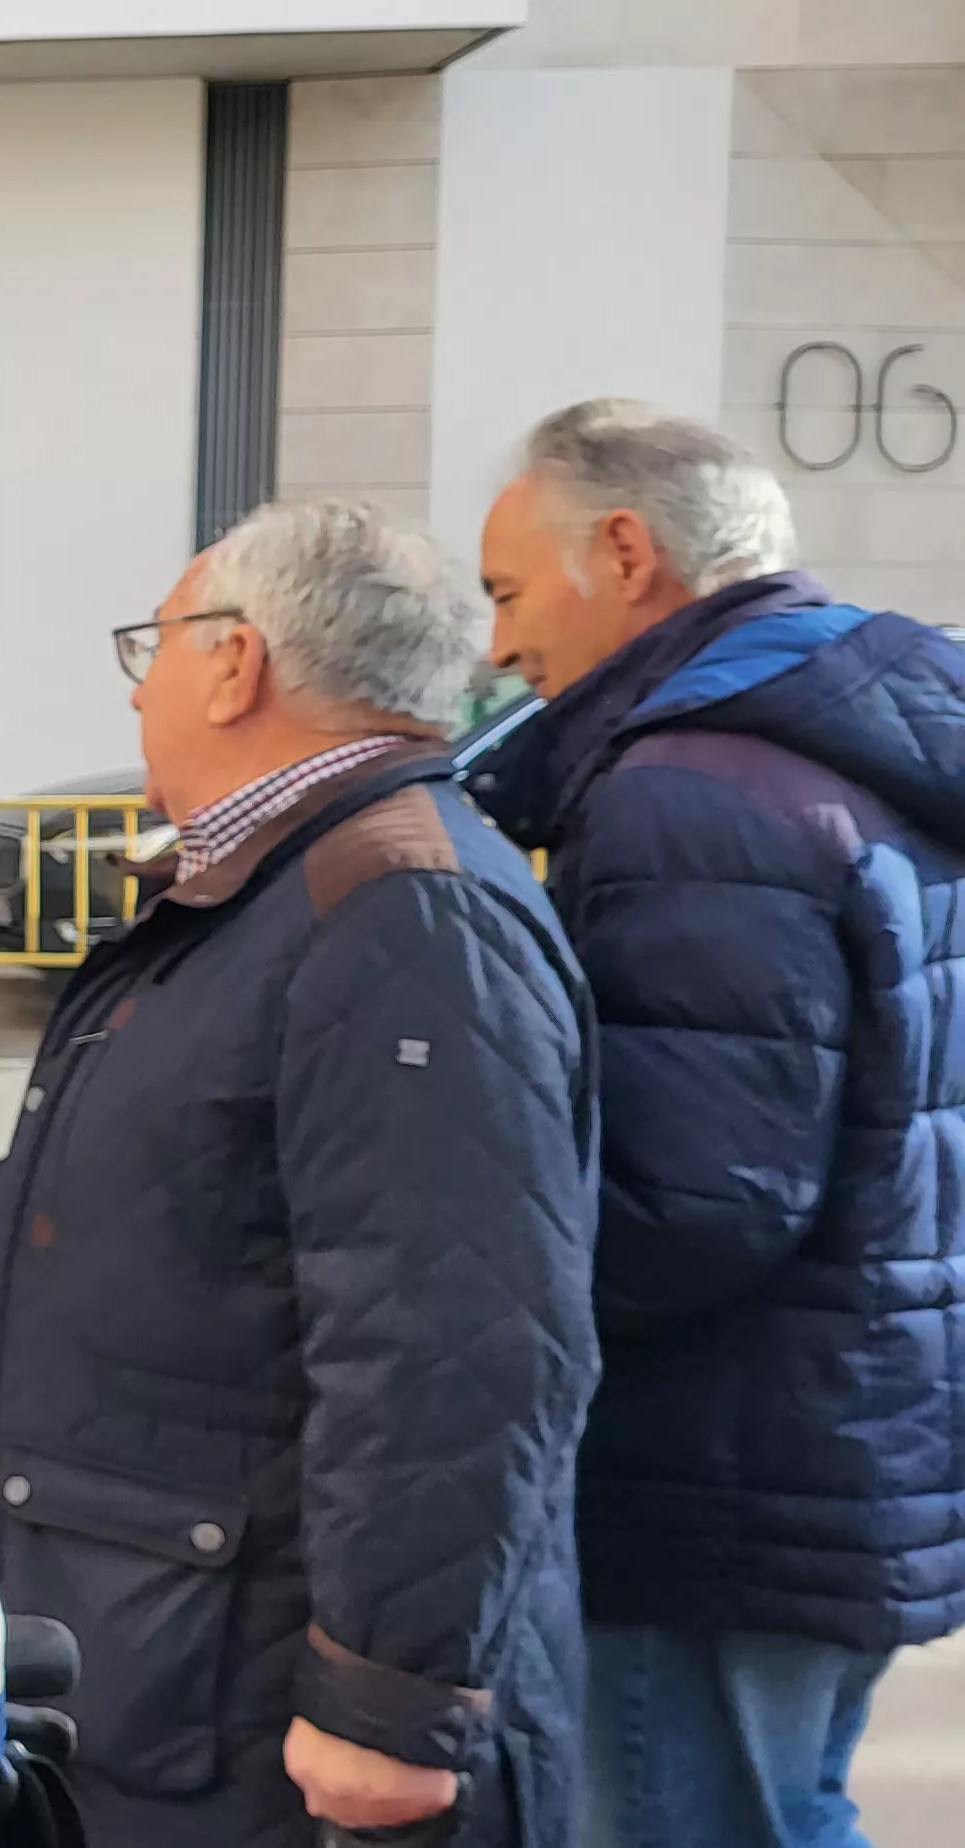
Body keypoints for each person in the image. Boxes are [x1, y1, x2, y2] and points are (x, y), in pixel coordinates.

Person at [0, 498, 597, 1846]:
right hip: (161, 1659)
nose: (139, 693)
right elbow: (221, 1174)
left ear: (236, 664)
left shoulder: (401, 909)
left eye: (152, 648)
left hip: (255, 1703)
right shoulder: (283, 886)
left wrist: (388, 1702)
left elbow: (456, 1338)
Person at [468, 399, 965, 1848]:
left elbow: (691, 1200)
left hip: (720, 1463)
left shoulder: (693, 785)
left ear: (624, 551)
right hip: (851, 1424)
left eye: (508, 591)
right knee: (787, 1808)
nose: (497, 646)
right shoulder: (861, 742)